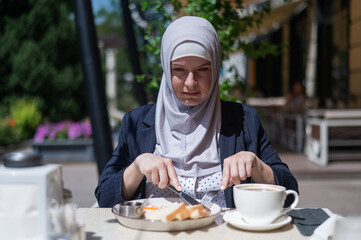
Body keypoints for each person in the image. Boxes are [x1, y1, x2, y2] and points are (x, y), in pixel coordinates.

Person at [95, 16, 298, 208]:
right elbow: (104, 197)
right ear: (166, 69)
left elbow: (290, 193)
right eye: (179, 70)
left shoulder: (243, 120)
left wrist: (256, 165)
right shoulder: (138, 122)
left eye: (202, 70)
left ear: (216, 67)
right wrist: (137, 166)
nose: (190, 82)